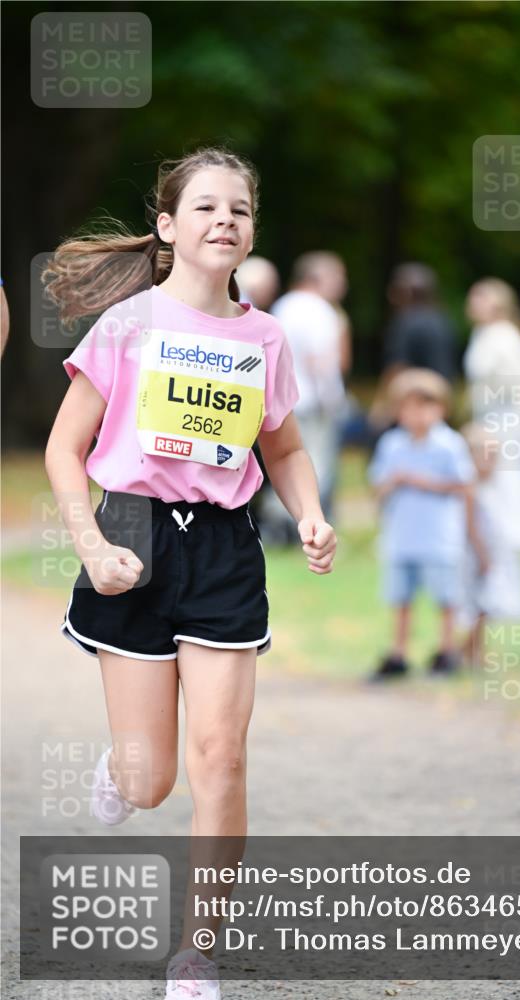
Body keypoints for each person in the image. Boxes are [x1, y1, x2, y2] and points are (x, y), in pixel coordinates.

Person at [42, 146, 336, 999]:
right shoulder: (128, 326)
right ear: (169, 227)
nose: (224, 221)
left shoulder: (264, 337)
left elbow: (282, 445)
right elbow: (66, 450)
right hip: (130, 536)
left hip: (222, 547)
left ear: (250, 232)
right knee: (151, 779)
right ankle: (118, 773)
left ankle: (195, 954)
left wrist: (310, 513)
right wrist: (91, 547)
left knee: (222, 759)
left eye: (239, 209)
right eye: (205, 207)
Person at [367, 368, 484, 680]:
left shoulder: (449, 444)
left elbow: (465, 485)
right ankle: (399, 652)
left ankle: (446, 650)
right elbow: (377, 485)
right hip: (401, 537)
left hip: (438, 538)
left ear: (441, 408)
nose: (416, 415)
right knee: (400, 598)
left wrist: (421, 482)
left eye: (424, 406)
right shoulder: (391, 445)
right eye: (408, 407)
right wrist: (390, 485)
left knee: (445, 598)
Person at [463, 277, 520, 556]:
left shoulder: (503, 335)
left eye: (482, 297)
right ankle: (499, 529)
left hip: (508, 416)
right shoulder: (485, 333)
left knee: (507, 472)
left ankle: (515, 533)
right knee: (496, 475)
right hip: (494, 416)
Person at [268, 251, 347, 529]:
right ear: (317, 277)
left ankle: (278, 521)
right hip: (313, 401)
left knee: (280, 460)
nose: (342, 284)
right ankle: (303, 522)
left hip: (281, 398)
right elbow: (321, 361)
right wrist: (333, 399)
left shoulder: (283, 306)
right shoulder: (320, 310)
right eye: (337, 276)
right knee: (314, 463)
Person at [459, 422, 520, 663]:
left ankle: (475, 649)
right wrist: (483, 556)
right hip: (476, 555)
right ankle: (468, 649)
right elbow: (471, 526)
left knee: (488, 607)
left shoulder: (495, 486)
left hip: (494, 552)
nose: (491, 461)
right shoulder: (469, 488)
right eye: (485, 456)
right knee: (478, 606)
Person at [369, 262, 458, 434]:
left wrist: (382, 405)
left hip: (413, 404)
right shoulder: (443, 320)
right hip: (440, 400)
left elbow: (397, 366)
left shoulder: (405, 321)